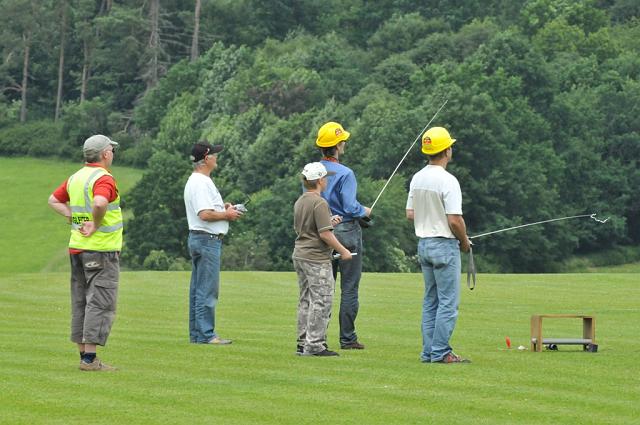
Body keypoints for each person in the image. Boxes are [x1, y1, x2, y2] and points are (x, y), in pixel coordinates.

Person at [48, 134, 123, 371]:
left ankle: (84, 355)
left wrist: (74, 216)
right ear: (105, 154)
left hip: (77, 249)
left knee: (81, 301)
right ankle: (90, 360)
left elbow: (53, 200)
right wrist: (96, 223)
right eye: (111, 150)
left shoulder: (76, 178)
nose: (112, 153)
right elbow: (100, 204)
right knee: (100, 301)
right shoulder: (104, 178)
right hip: (101, 250)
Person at [405, 127, 471, 364]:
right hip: (444, 246)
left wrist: (431, 217)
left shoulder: (418, 177)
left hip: (423, 245)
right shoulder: (448, 180)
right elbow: (455, 219)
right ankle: (441, 352)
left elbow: (410, 213)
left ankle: (428, 352)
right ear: (447, 150)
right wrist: (464, 241)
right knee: (448, 303)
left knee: (430, 301)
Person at [316, 122, 371, 350]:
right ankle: (347, 338)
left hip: (320, 231)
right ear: (338, 145)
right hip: (347, 232)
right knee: (349, 287)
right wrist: (365, 211)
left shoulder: (312, 171)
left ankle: (317, 337)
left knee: (324, 287)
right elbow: (350, 206)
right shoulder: (346, 173)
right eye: (343, 140)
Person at [184, 141, 243, 345]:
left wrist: (224, 208)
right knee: (207, 290)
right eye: (214, 155)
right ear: (206, 159)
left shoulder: (198, 180)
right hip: (207, 239)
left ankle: (197, 334)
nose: (217, 157)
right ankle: (207, 335)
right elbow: (205, 214)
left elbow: (209, 209)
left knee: (199, 289)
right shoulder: (200, 182)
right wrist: (226, 214)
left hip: (201, 238)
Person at [293, 162, 353, 357]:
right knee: (322, 300)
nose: (326, 180)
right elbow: (325, 235)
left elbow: (307, 227)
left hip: (300, 253)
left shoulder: (301, 200)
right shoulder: (320, 202)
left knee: (306, 300)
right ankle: (315, 345)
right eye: (325, 178)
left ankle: (303, 342)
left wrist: (330, 222)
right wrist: (343, 251)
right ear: (319, 180)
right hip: (316, 258)